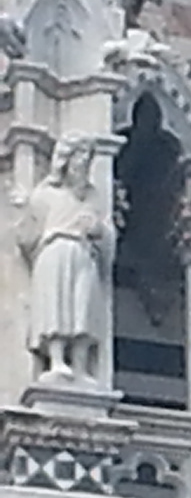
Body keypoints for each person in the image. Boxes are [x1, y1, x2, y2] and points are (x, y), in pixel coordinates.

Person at [19, 137, 111, 384]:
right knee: (56, 309)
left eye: (87, 158)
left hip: (83, 254)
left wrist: (98, 230)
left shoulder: (92, 197)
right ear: (65, 160)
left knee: (83, 310)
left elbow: (106, 233)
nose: (83, 163)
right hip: (55, 253)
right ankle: (57, 360)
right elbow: (27, 235)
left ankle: (80, 365)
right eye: (79, 156)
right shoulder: (45, 194)